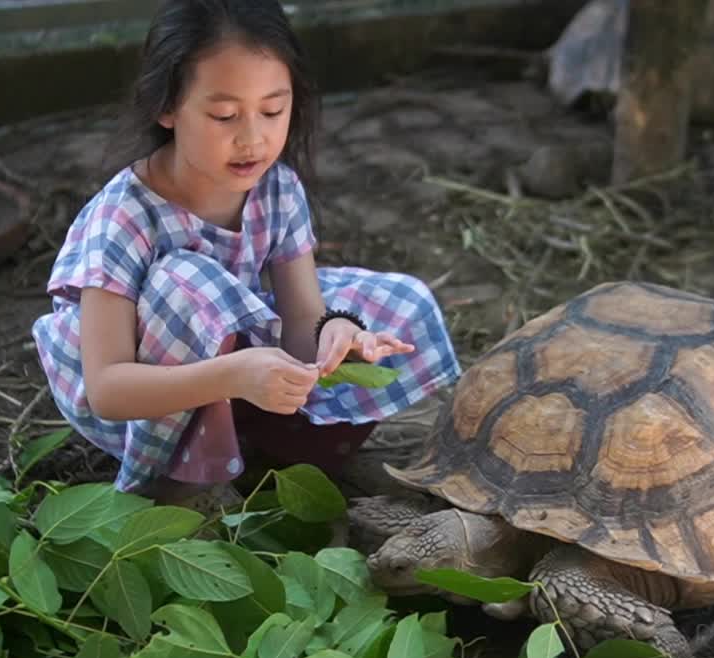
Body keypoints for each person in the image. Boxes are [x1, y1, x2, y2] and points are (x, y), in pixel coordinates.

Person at [30, 0, 461, 505]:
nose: (253, 138)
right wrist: (235, 374)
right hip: (146, 390)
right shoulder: (124, 218)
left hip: (238, 356)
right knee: (186, 283)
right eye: (225, 115)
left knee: (402, 301)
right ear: (166, 107)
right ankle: (181, 486)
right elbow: (108, 388)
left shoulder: (276, 188)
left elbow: (303, 322)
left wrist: (337, 335)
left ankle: (275, 454)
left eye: (273, 110)